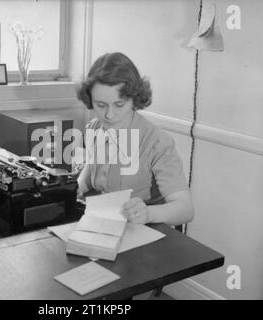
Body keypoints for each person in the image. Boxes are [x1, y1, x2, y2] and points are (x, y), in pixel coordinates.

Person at [76, 52, 194, 226]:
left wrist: (148, 213)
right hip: (108, 223)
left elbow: (185, 210)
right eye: (100, 105)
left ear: (134, 99)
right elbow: (93, 165)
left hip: (150, 230)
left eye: (119, 104)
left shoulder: (157, 142)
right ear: (90, 100)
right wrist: (76, 188)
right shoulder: (94, 128)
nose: (109, 114)